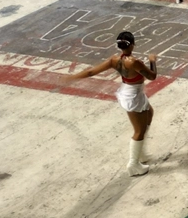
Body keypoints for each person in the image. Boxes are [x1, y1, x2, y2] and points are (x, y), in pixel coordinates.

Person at [65, 31, 158, 177]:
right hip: (133, 95)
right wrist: (152, 60)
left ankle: (141, 152)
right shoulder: (134, 62)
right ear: (133, 44)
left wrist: (72, 77)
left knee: (149, 114)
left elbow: (91, 72)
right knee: (138, 131)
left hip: (131, 90)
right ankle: (133, 164)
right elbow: (152, 76)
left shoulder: (114, 60)